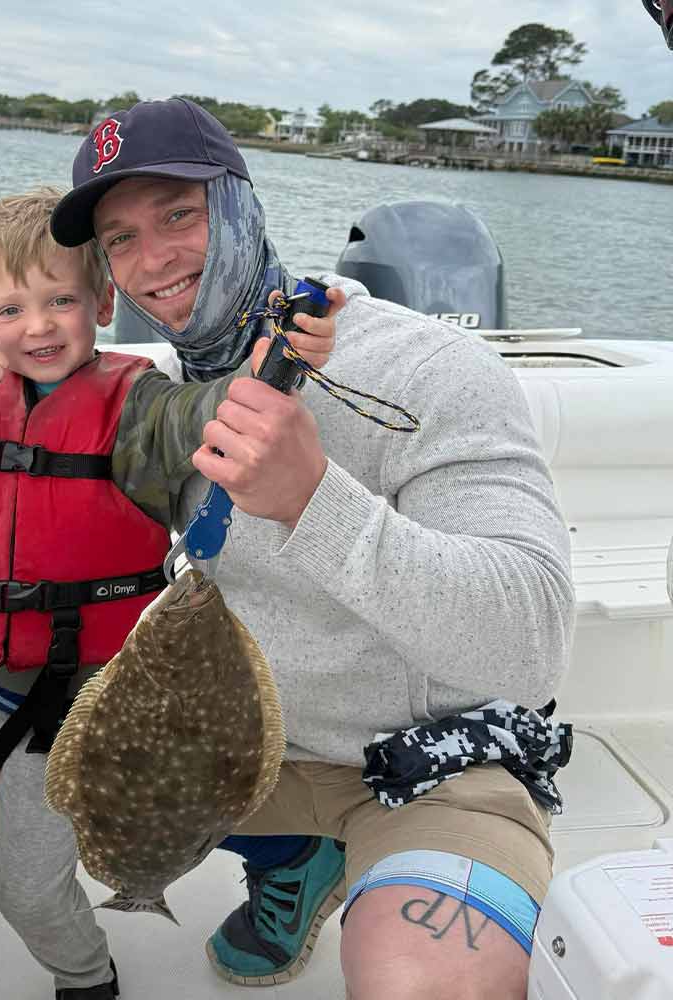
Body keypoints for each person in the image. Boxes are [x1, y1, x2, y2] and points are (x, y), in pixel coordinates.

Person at [44, 98, 575, 999]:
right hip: (245, 748)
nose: (154, 261)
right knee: (19, 808)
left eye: (179, 215)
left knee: (425, 982)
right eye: (121, 239)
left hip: (427, 764)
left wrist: (312, 502)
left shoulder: (427, 371)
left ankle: (321, 856)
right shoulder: (167, 401)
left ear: (243, 207)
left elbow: (527, 643)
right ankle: (293, 859)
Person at [0, 187, 339, 1000]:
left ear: (105, 302)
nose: (39, 326)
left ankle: (88, 981)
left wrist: (275, 361)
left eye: (61, 300)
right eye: (9, 308)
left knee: (27, 887)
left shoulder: (137, 407)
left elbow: (208, 412)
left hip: (86, 701)